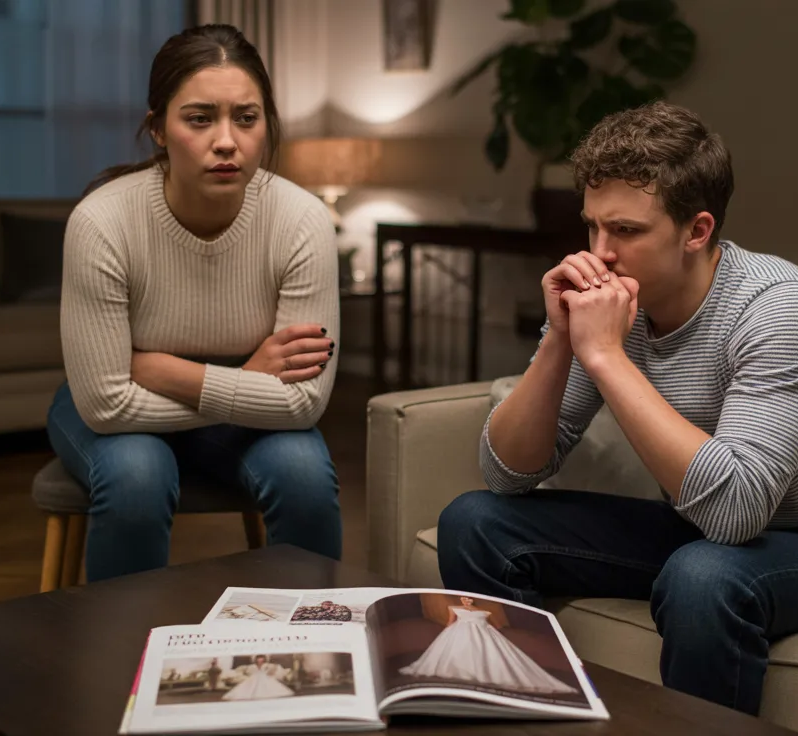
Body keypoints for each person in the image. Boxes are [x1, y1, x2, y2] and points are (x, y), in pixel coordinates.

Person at [435, 101, 798, 716]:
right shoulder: (615, 304)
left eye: (625, 231)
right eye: (592, 226)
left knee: (702, 574)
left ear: (697, 230)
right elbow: (509, 473)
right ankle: (521, 712)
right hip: (692, 531)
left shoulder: (779, 306)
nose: (599, 253)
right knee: (475, 520)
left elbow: (737, 513)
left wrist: (605, 357)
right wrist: (560, 339)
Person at [45, 23, 342, 584]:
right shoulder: (103, 222)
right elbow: (106, 405)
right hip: (115, 406)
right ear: (158, 128)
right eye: (199, 118)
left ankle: (315, 650)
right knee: (137, 475)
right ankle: (121, 657)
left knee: (303, 475)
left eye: (246, 118)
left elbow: (303, 403)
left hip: (161, 383)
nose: (226, 140)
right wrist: (245, 382)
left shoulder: (301, 221)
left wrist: (166, 370)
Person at [398, 596, 576, 695]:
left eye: (469, 599)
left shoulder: (483, 611)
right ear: (461, 599)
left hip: (483, 633)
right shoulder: (454, 609)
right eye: (465, 599)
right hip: (461, 632)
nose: (467, 601)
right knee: (462, 656)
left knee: (488, 657)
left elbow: (493, 625)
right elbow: (450, 623)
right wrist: (447, 636)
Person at [223, 655, 294, 701]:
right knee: (249, 685)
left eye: (261, 658)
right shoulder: (252, 666)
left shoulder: (267, 665)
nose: (260, 660)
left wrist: (271, 672)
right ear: (256, 659)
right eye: (258, 658)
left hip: (264, 677)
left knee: (266, 684)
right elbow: (244, 670)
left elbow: (274, 668)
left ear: (264, 659)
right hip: (254, 677)